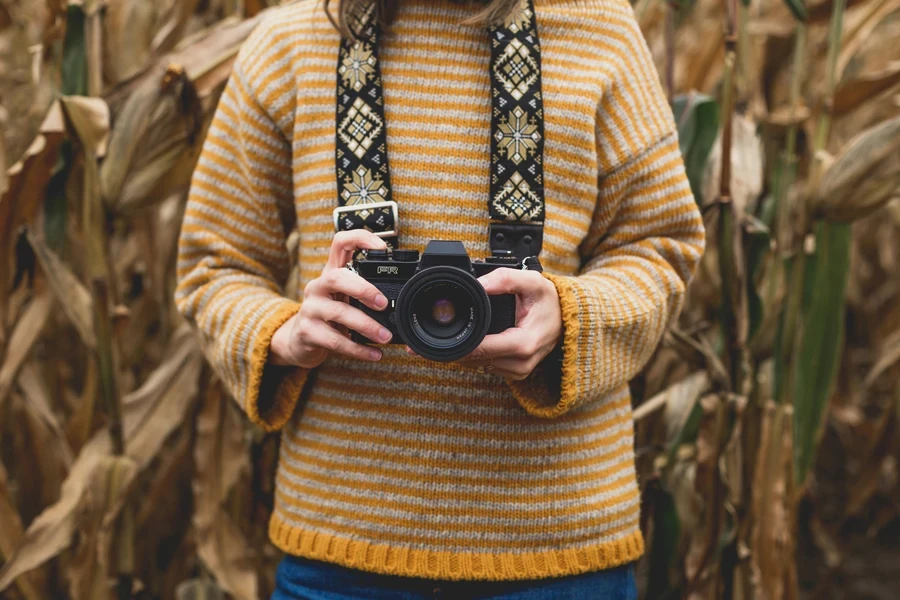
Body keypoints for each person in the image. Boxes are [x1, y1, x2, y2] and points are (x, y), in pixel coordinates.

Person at [174, 0, 705, 596]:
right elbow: (214, 266)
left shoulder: (597, 29)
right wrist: (283, 334)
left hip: (562, 550)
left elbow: (661, 247)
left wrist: (569, 317)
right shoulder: (291, 43)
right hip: (341, 549)